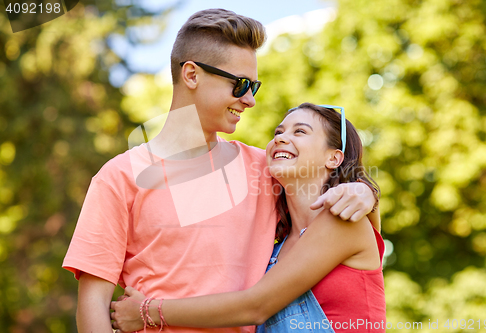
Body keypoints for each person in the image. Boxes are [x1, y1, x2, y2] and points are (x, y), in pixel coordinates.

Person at [62, 9, 379, 333]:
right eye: (240, 84)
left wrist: (365, 191)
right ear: (192, 75)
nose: (250, 100)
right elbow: (94, 303)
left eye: (253, 86)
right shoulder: (119, 177)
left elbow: (330, 198)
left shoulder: (266, 169)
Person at [110, 103, 385, 333]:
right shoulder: (274, 246)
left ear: (334, 158)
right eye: (278, 131)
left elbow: (255, 307)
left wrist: (148, 312)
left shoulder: (343, 221)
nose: (280, 137)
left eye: (299, 131)